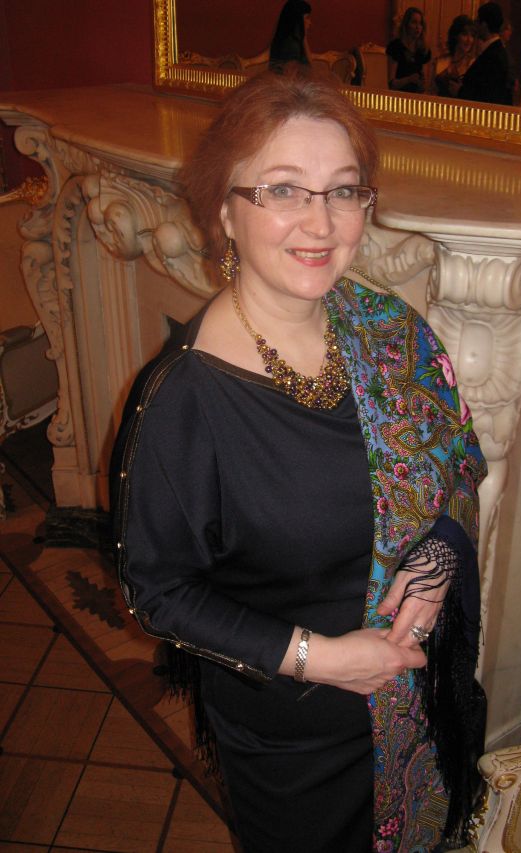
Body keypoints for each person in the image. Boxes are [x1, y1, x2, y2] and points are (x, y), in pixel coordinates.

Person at [112, 68, 487, 853]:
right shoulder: (184, 399)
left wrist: (442, 555)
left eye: (343, 190)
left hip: (411, 703)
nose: (321, 222)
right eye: (283, 190)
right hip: (291, 734)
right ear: (225, 210)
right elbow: (159, 592)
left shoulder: (392, 330)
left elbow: (458, 458)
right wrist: (323, 659)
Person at [458, 2, 512, 105]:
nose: (475, 25)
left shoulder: (493, 56)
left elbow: (487, 95)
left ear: (484, 25)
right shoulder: (494, 50)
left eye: (477, 21)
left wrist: (459, 91)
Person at [386, 7, 432, 93]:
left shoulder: (423, 50)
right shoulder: (395, 47)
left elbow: (426, 85)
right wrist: (409, 79)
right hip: (398, 95)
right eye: (414, 22)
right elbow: (391, 84)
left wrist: (423, 83)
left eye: (420, 23)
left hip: (417, 96)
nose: (418, 27)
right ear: (406, 25)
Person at [433, 15, 476, 98]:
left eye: (472, 36)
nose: (469, 40)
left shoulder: (473, 64)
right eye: (465, 34)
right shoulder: (440, 61)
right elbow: (431, 91)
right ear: (455, 35)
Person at [269, 0, 312, 71]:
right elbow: (290, 74)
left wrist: (304, 37)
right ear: (297, 20)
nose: (310, 22)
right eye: (307, 18)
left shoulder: (293, 40)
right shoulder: (292, 45)